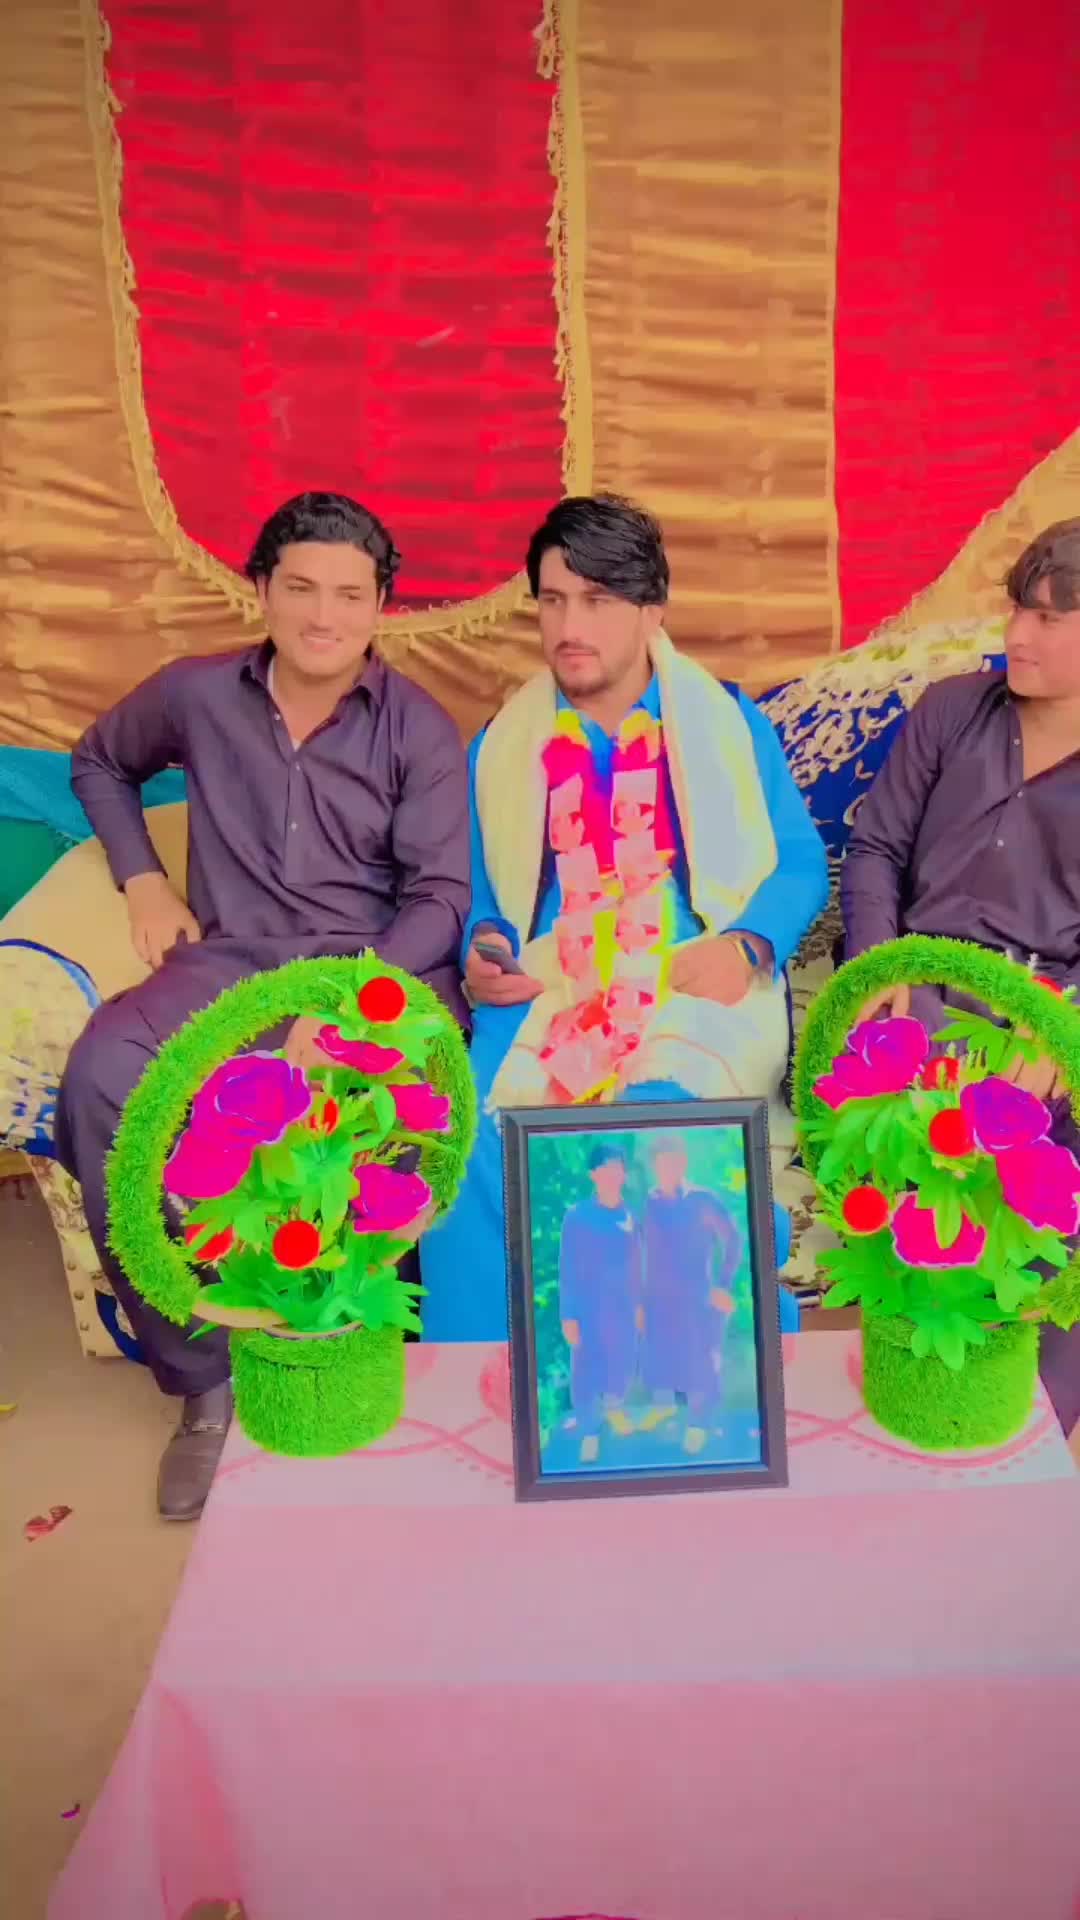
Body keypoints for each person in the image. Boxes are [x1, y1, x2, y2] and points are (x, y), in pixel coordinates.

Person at [55, 492, 470, 1519]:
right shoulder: (196, 694)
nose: (324, 616)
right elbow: (99, 760)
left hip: (369, 973)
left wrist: (355, 1005)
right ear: (261, 591)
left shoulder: (417, 726)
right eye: (301, 588)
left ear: (382, 605)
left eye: (350, 595)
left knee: (392, 1098)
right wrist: (143, 882)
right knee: (103, 1074)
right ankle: (204, 1386)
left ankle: (353, 1342)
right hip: (227, 966)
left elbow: (440, 898)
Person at [421, 493, 828, 1339]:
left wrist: (746, 947)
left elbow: (799, 863)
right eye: (553, 600)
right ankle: (487, 1372)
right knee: (466, 1140)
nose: (570, 627)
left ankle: (708, 1370)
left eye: (598, 601)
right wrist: (485, 949)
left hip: (692, 972)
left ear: (652, 609)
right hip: (552, 977)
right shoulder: (503, 743)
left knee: (661, 1127)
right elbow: (484, 896)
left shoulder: (724, 722)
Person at [841, 517, 1080, 1436]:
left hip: (1037, 1012)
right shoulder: (951, 711)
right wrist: (876, 965)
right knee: (915, 1147)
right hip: (920, 992)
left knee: (1043, 1185)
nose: (1018, 634)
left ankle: (1033, 1428)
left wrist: (1057, 1027)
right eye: (1018, 609)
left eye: (1049, 619)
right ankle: (909, 1397)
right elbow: (875, 850)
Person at [639, 1138, 742, 1455]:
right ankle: (671, 1426)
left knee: (701, 1365)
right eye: (661, 1163)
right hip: (659, 1302)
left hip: (699, 1299)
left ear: (683, 1163)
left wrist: (723, 1286)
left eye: (673, 1161)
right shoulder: (649, 1204)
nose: (667, 1168)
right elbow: (638, 1256)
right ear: (654, 1166)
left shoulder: (702, 1201)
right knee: (664, 1364)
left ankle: (700, 1428)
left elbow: (733, 1240)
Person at [558, 1144, 643, 1463]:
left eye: (617, 1167)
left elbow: (639, 1265)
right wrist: (568, 1315)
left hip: (624, 1309)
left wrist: (641, 1306)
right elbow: (568, 1268)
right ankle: (590, 1432)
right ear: (593, 1174)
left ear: (625, 1174)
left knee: (622, 1363)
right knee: (586, 1370)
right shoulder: (577, 1216)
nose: (612, 1174)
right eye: (605, 1167)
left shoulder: (631, 1216)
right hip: (588, 1309)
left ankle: (613, 1409)